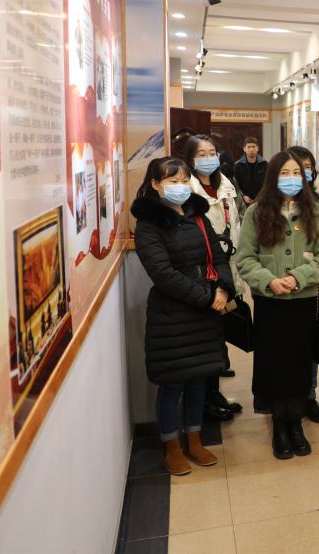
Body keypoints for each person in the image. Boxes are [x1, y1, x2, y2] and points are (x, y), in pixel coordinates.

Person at [131, 157, 234, 476]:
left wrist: (224, 288)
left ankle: (195, 439)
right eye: (171, 181)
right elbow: (162, 273)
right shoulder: (148, 223)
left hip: (204, 315)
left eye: (183, 180)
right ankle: (171, 446)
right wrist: (207, 297)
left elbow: (218, 255)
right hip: (173, 315)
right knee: (172, 383)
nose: (179, 186)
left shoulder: (197, 214)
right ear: (155, 184)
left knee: (198, 379)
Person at [236, 150, 319, 460]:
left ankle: (296, 422)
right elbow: (245, 258)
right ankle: (280, 424)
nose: (292, 178)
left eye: (297, 173)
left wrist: (298, 277)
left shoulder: (314, 210)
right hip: (270, 303)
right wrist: (269, 280)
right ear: (273, 177)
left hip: (303, 301)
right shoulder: (256, 213)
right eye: (285, 173)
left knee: (299, 363)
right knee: (274, 363)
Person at [183, 134, 243, 421]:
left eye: (212, 153)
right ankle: (205, 400)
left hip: (228, 267)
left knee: (220, 336)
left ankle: (214, 393)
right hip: (205, 273)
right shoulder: (187, 188)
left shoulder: (225, 185)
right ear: (190, 159)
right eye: (201, 154)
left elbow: (237, 226)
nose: (208, 158)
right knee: (207, 339)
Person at [288, 145, 319, 423]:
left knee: (310, 344)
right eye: (296, 168)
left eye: (307, 168)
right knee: (285, 348)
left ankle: (309, 396)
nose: (301, 174)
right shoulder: (269, 204)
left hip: (313, 284)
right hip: (279, 289)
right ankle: (283, 401)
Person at [234, 137, 267, 206]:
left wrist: (261, 197)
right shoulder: (237, 166)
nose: (251, 149)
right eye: (249, 147)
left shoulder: (264, 164)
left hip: (261, 201)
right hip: (243, 203)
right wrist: (243, 196)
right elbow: (236, 185)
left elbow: (267, 183)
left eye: (253, 147)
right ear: (244, 149)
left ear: (257, 148)